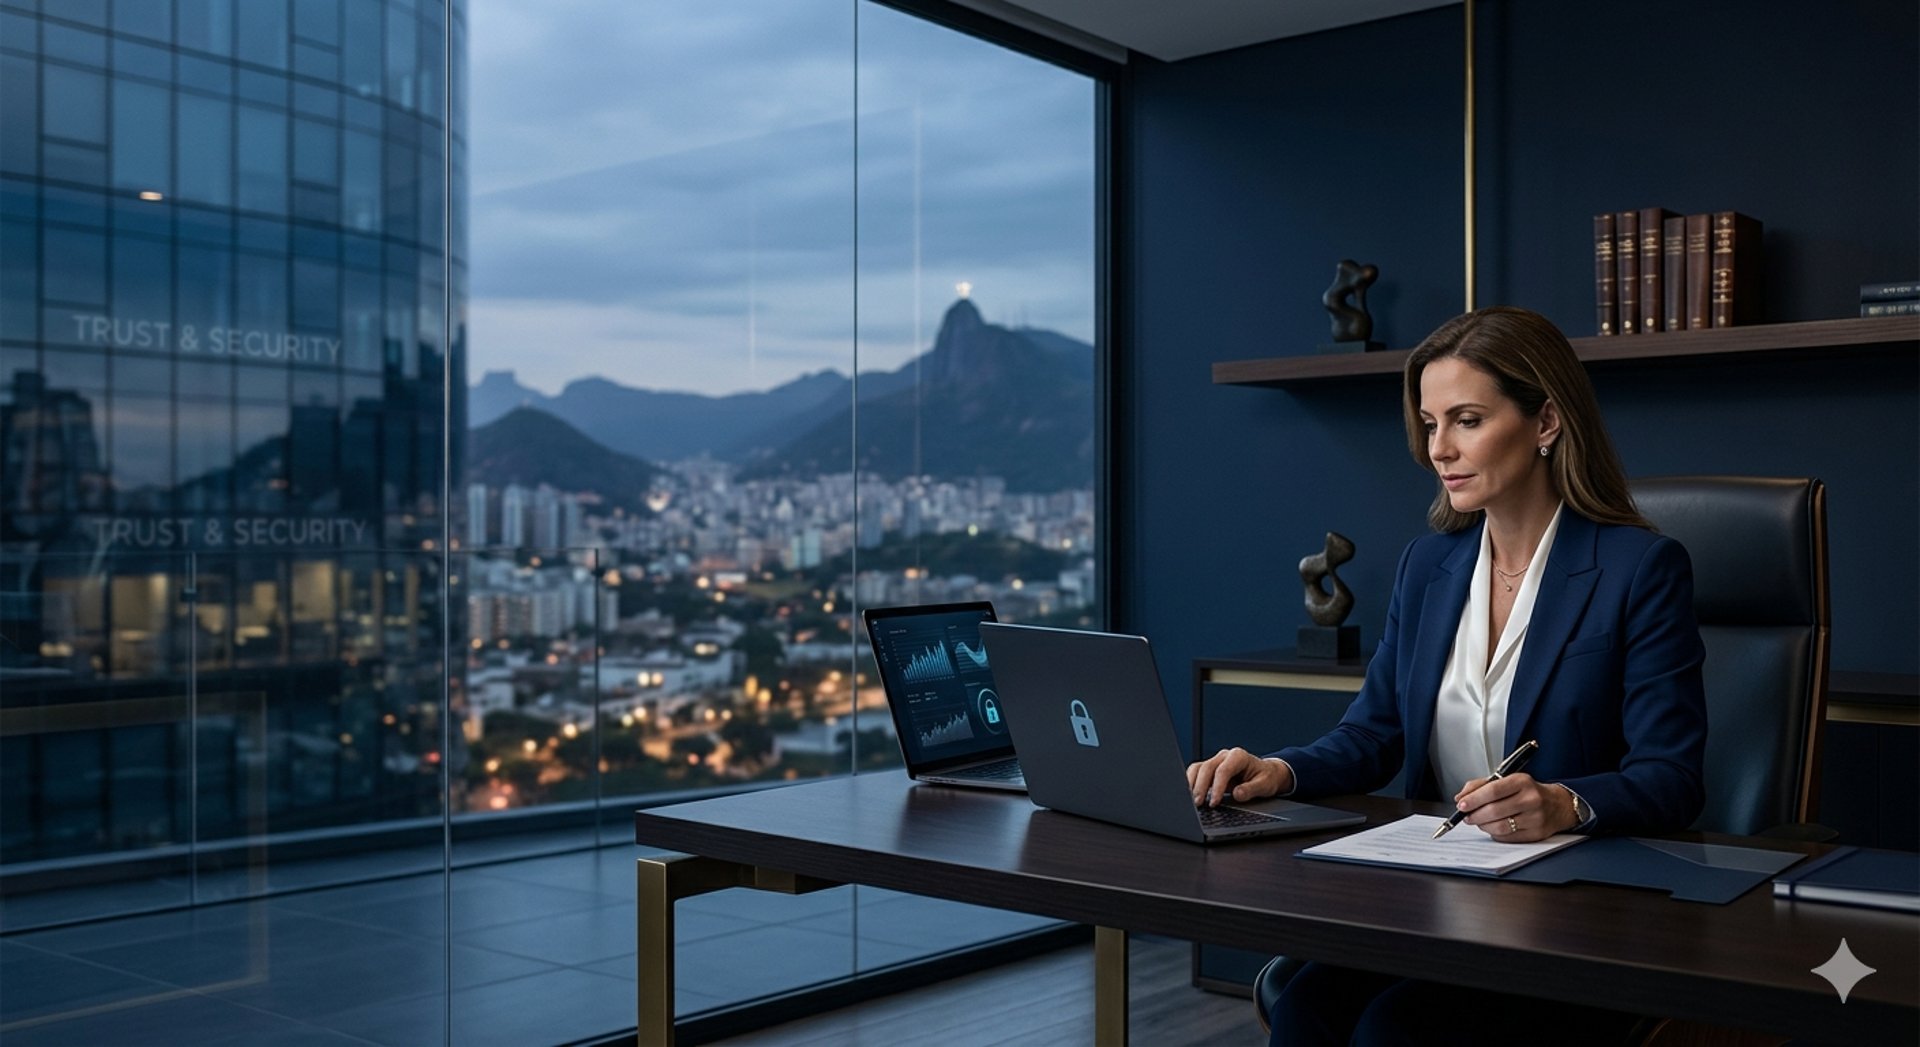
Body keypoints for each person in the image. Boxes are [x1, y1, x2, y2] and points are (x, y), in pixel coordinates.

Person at [1187, 306, 1707, 1046]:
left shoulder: (1639, 570)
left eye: (1465, 419)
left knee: (1394, 1029)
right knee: (1306, 1005)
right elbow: (1373, 734)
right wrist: (1278, 770)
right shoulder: (1428, 566)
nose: (1440, 448)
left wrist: (1563, 801)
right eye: (1430, 423)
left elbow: (1673, 775)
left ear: (1546, 422)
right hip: (1441, 893)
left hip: (1576, 906)